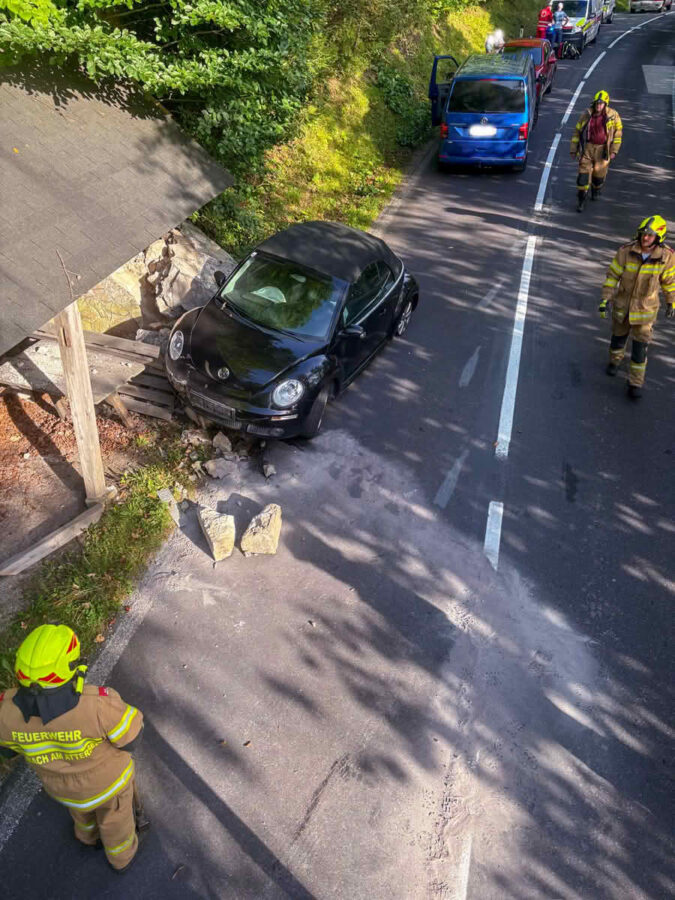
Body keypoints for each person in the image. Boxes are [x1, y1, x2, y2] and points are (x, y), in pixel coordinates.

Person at [0, 624, 146, 872]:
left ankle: (87, 837)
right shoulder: (98, 705)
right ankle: (121, 858)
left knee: (81, 813)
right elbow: (131, 739)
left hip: (60, 789)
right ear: (70, 668)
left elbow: (8, 751)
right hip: (109, 787)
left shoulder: (5, 711)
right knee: (116, 822)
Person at [599, 216, 675, 399]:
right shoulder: (625, 251)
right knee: (618, 339)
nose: (645, 238)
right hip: (622, 307)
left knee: (640, 349)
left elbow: (670, 282)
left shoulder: (667, 257)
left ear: (658, 238)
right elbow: (612, 277)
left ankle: (635, 382)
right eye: (643, 234)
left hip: (645, 311)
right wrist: (605, 299)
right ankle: (614, 362)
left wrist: (671, 301)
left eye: (649, 235)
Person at [570, 90, 622, 212]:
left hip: (603, 151)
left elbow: (618, 134)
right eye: (597, 103)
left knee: (598, 177)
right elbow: (577, 132)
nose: (598, 105)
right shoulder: (587, 114)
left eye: (601, 103)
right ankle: (581, 201)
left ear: (605, 104)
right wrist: (574, 149)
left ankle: (595, 190)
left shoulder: (613, 116)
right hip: (587, 149)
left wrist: (614, 150)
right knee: (582, 178)